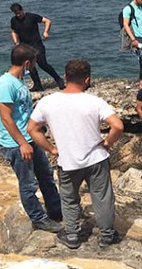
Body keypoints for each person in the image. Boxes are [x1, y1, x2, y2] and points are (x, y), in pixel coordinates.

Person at [27, 59, 124, 249]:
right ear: (87, 80)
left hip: (67, 159)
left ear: (65, 77)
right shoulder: (94, 101)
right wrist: (108, 142)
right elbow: (118, 125)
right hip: (96, 157)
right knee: (102, 197)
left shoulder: (48, 102)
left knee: (69, 199)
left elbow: (32, 128)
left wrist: (51, 149)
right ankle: (106, 235)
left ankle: (72, 235)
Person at [0, 44, 62, 232]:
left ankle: (56, 210)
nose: (35, 66)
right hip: (17, 143)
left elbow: (21, 111)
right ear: (26, 62)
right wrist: (22, 143)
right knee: (28, 184)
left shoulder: (19, 80)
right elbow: (6, 118)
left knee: (46, 175)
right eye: (33, 62)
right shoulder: (6, 84)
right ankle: (38, 218)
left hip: (31, 138)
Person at [9, 3, 64, 91]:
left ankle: (58, 79)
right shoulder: (13, 20)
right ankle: (37, 85)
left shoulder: (31, 16)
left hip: (36, 44)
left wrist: (46, 32)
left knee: (42, 63)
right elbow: (13, 31)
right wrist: (16, 42)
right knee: (29, 66)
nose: (19, 15)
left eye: (20, 12)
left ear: (22, 10)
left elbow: (47, 21)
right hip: (25, 46)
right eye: (16, 14)